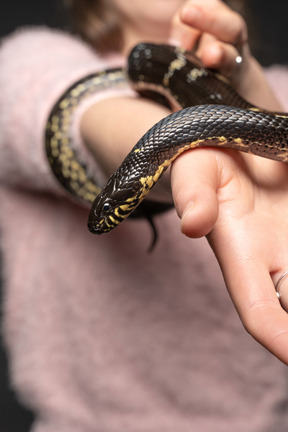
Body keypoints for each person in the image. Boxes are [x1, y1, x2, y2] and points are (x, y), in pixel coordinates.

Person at [0, 0, 288, 430]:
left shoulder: (278, 87)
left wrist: (251, 88)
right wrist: (191, 162)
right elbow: (84, 116)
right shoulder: (32, 59)